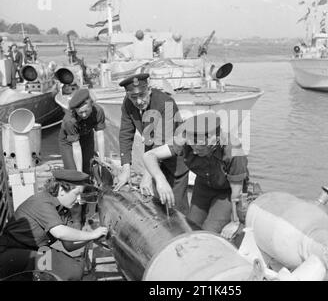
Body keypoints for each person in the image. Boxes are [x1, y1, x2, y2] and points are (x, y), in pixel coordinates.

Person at [143, 112, 249, 240]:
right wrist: (161, 180)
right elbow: (149, 155)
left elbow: (237, 190)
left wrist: (235, 221)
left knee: (209, 233)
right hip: (203, 184)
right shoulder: (184, 138)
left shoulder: (234, 150)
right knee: (189, 228)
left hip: (227, 191)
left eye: (199, 149)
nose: (193, 151)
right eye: (191, 146)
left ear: (213, 143)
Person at [0, 169, 108, 281]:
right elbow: (60, 232)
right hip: (10, 251)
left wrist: (93, 238)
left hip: (36, 250)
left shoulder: (64, 209)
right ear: (61, 190)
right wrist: (92, 234)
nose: (79, 200)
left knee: (75, 270)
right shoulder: (42, 202)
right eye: (76, 194)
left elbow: (69, 246)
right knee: (66, 273)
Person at [113, 73, 190, 215]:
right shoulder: (128, 103)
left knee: (177, 208)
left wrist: (147, 176)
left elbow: (161, 143)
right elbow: (125, 134)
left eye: (142, 95)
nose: (139, 101)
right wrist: (125, 169)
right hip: (151, 156)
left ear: (148, 90)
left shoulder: (166, 103)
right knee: (157, 206)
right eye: (134, 97)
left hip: (174, 159)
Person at [58, 89, 106, 229]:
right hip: (69, 143)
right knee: (74, 178)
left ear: (91, 105)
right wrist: (79, 175)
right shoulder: (69, 120)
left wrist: (102, 161)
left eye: (86, 111)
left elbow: (100, 136)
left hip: (87, 137)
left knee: (89, 170)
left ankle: (89, 211)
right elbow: (76, 147)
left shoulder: (99, 111)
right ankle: (76, 219)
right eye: (80, 113)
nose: (84, 115)